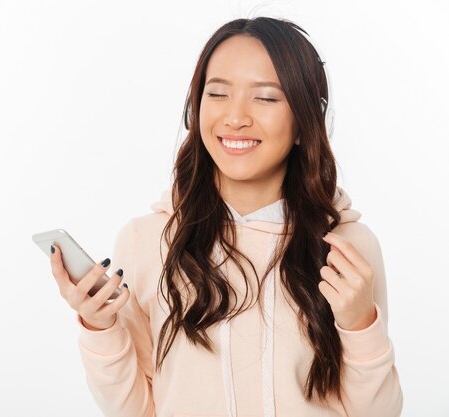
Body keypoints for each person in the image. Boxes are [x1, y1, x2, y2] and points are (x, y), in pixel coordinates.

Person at [48, 16, 403, 417]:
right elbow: (138, 409)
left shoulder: (349, 247)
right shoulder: (145, 241)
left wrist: (360, 325)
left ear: (304, 122)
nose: (235, 118)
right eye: (217, 94)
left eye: (266, 98)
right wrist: (100, 328)